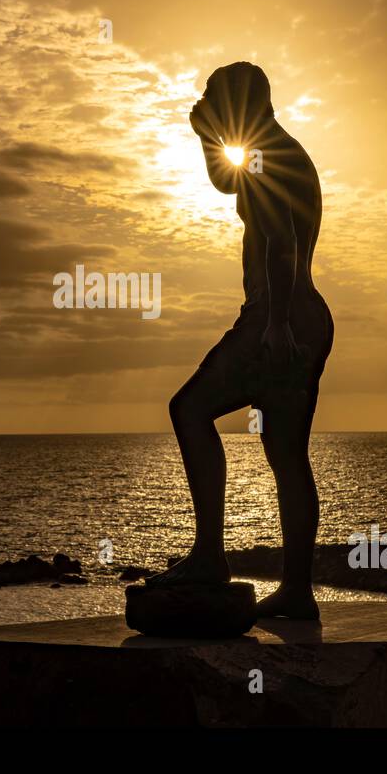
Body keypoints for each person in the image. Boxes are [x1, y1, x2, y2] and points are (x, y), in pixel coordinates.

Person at [148, 61, 334, 620]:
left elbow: (281, 238)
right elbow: (226, 182)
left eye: (213, 97)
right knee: (286, 455)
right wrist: (206, 134)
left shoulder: (269, 156)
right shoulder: (272, 150)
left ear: (237, 103)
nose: (206, 103)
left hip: (278, 318)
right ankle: (297, 592)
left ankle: (210, 557)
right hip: (305, 318)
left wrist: (275, 323)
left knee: (189, 409)